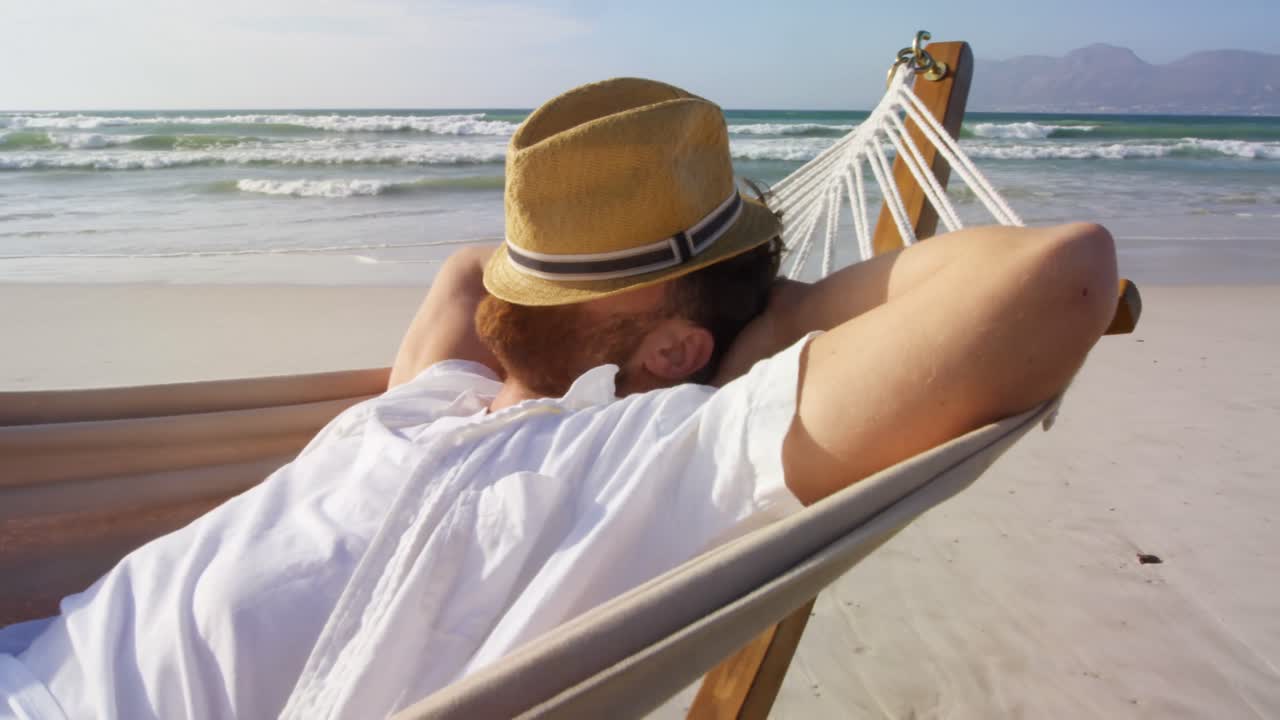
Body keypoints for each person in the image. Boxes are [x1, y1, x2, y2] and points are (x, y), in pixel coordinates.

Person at [0, 78, 1118, 720]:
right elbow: (1056, 273)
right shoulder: (461, 408)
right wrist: (769, 308)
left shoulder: (629, 462)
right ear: (679, 346)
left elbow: (463, 273)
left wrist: (676, 306)